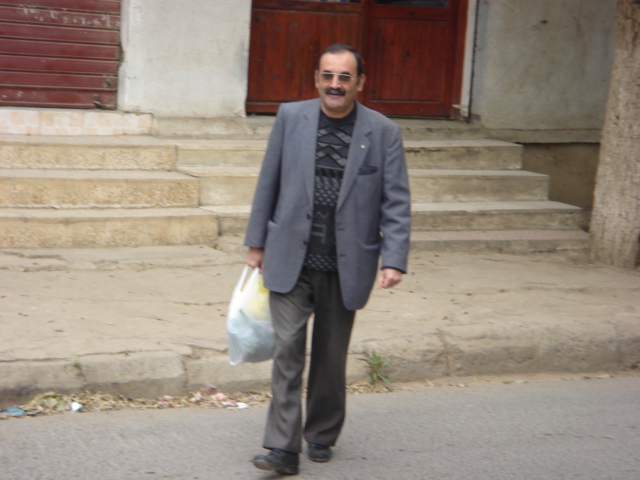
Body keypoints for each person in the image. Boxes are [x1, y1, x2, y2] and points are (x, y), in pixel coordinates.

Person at [245, 43, 411, 475]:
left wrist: (394, 259)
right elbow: (268, 182)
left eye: (344, 77)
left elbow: (396, 202)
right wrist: (256, 243)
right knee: (287, 350)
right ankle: (282, 448)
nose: (335, 85)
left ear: (360, 82)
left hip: (346, 262)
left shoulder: (383, 132)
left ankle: (320, 433)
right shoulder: (290, 117)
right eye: (328, 76)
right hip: (290, 256)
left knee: (330, 357)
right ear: (316, 79)